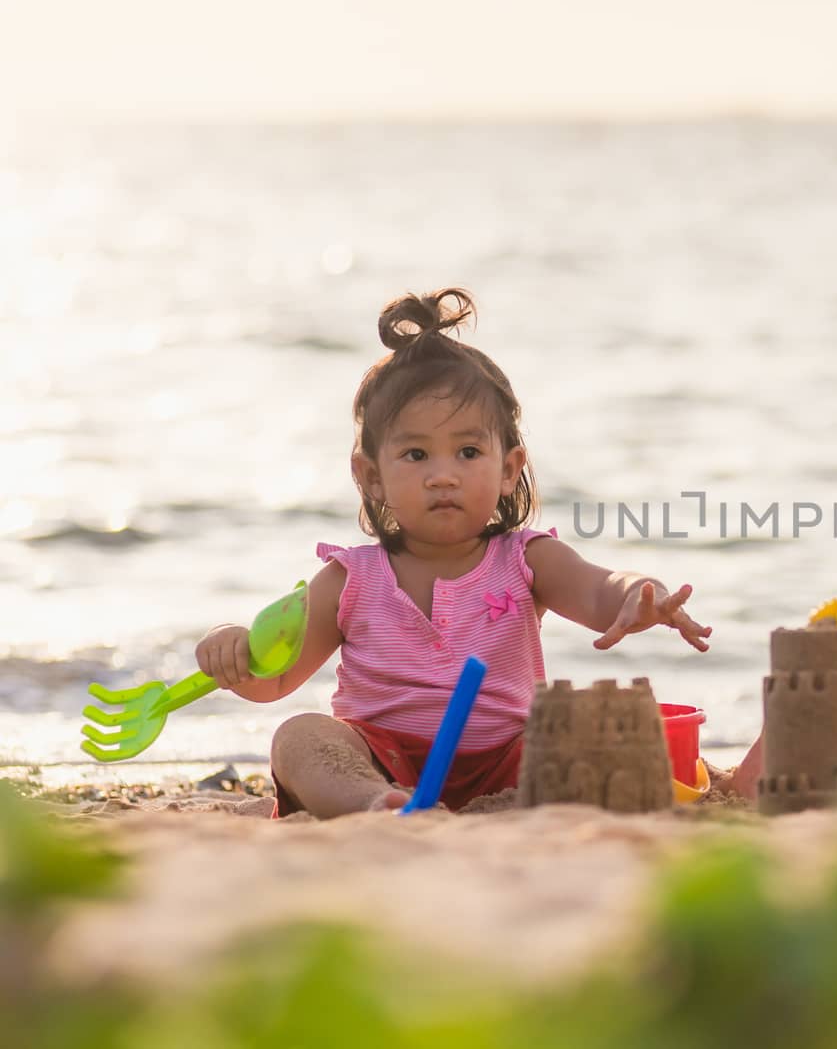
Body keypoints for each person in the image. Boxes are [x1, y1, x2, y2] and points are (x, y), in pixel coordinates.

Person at [195, 288, 757, 816]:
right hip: (380, 759)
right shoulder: (351, 579)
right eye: (415, 455)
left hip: (512, 763)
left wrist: (637, 595)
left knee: (580, 734)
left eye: (467, 451)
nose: (444, 476)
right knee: (301, 736)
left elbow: (597, 588)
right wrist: (231, 653)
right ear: (371, 477)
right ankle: (374, 806)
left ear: (509, 470)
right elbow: (273, 682)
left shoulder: (525, 560)